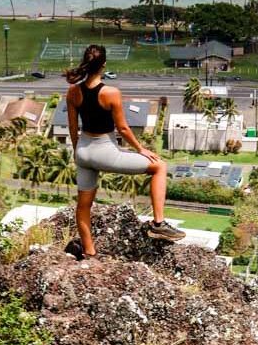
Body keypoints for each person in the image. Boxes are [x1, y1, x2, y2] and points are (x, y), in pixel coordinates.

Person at [65, 44, 185, 258]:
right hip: (105, 152)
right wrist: (141, 149)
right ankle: (158, 224)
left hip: (83, 151)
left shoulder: (73, 92)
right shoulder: (110, 93)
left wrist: (77, 152)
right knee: (159, 166)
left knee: (83, 206)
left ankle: (90, 253)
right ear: (103, 65)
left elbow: (73, 127)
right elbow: (122, 128)